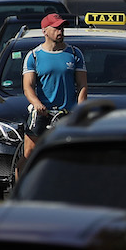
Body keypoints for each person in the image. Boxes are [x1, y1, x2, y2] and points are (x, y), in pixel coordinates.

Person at [22, 13, 87, 161]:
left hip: (67, 114)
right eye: (56, 28)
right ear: (44, 31)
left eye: (62, 27)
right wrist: (37, 104)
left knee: (71, 156)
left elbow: (82, 85)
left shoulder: (75, 54)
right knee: (29, 156)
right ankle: (20, 184)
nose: (60, 31)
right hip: (42, 113)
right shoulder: (34, 56)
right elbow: (28, 87)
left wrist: (80, 110)